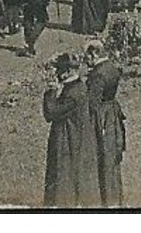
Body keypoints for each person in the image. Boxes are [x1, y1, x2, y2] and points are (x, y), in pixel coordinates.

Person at [42, 52, 100, 208]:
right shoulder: (78, 87)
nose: (56, 74)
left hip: (68, 142)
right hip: (73, 140)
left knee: (63, 179)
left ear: (67, 72)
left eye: (58, 70)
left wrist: (51, 91)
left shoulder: (73, 94)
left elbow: (51, 113)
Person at [84, 40, 125, 208]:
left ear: (94, 53)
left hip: (102, 117)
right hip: (112, 114)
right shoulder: (112, 68)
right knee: (112, 157)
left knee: (102, 157)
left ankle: (105, 200)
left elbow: (92, 103)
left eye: (87, 56)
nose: (86, 61)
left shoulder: (97, 74)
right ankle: (115, 197)